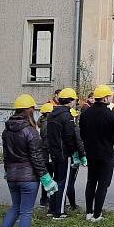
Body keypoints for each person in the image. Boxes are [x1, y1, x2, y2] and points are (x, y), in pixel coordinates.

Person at [0, 94, 58, 227]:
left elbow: (6, 155)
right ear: (29, 110)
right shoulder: (31, 131)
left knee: (15, 207)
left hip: (12, 176)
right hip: (28, 178)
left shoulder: (6, 130)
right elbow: (37, 158)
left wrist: (6, 171)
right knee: (26, 212)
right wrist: (46, 178)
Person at [79, 84, 114, 222]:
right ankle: (97, 214)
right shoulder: (110, 114)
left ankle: (88, 212)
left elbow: (82, 133)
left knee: (91, 182)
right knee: (103, 184)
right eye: (110, 97)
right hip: (106, 154)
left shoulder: (85, 113)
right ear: (106, 98)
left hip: (91, 153)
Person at [45, 87, 79, 219]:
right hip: (64, 153)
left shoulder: (52, 114)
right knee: (63, 183)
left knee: (55, 180)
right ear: (70, 101)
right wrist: (74, 152)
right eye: (74, 100)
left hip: (54, 152)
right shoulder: (67, 116)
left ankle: (51, 208)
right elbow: (70, 137)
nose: (74, 103)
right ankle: (59, 212)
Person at [67, 107, 87, 211]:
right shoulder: (75, 128)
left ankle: (56, 204)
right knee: (70, 181)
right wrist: (83, 156)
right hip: (73, 157)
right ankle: (73, 205)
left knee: (61, 180)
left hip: (61, 156)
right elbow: (79, 144)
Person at [37, 102, 54, 208]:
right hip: (47, 154)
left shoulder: (43, 122)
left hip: (45, 154)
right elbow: (47, 142)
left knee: (47, 176)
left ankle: (44, 198)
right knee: (49, 176)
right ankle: (45, 199)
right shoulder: (47, 124)